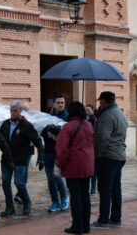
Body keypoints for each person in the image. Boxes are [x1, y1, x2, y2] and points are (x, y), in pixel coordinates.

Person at [0, 100, 44, 217]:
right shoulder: (5, 124)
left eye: (15, 111)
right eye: (11, 111)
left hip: (20, 159)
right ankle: (9, 207)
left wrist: (41, 157)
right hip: (7, 159)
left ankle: (27, 202)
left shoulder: (26, 125)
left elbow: (37, 141)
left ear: (20, 111)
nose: (13, 113)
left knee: (19, 183)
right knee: (5, 183)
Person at [56, 101, 94, 234]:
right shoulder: (88, 125)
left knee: (76, 196)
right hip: (88, 164)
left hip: (73, 166)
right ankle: (86, 225)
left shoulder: (68, 127)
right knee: (85, 195)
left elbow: (61, 150)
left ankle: (77, 225)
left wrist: (59, 164)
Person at [91, 91, 128, 229]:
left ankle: (103, 220)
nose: (99, 103)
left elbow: (102, 138)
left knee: (105, 189)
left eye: (100, 101)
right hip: (119, 156)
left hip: (108, 157)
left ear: (105, 102)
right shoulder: (120, 113)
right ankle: (116, 218)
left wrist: (97, 155)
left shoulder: (107, 115)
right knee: (115, 189)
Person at [41, 94, 70, 212]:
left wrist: (58, 130)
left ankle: (64, 197)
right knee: (50, 179)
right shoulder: (48, 117)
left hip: (60, 152)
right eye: (58, 102)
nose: (60, 104)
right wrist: (46, 130)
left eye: (62, 102)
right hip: (48, 151)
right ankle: (54, 202)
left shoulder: (67, 117)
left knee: (57, 177)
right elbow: (42, 132)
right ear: (54, 104)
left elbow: (68, 134)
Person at [85, 104, 98, 195]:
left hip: (92, 147)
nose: (87, 112)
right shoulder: (85, 119)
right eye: (85, 110)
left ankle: (93, 186)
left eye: (88, 110)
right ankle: (88, 186)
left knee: (93, 169)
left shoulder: (94, 119)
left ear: (92, 110)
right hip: (86, 147)